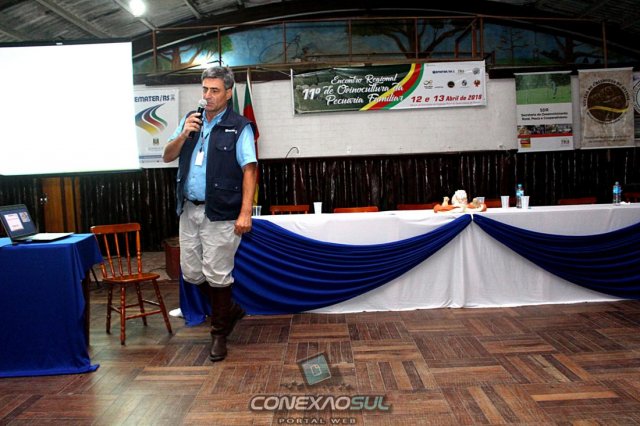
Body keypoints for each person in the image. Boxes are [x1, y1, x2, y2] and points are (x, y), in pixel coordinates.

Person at [163, 66, 258, 362]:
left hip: (222, 212)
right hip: (189, 209)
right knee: (191, 273)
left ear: (228, 93)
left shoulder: (239, 126)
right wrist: (184, 134)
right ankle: (229, 310)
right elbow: (167, 155)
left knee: (217, 274)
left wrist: (245, 212)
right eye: (205, 89)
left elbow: (250, 169)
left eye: (214, 90)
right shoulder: (190, 120)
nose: (207, 95)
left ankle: (219, 334)